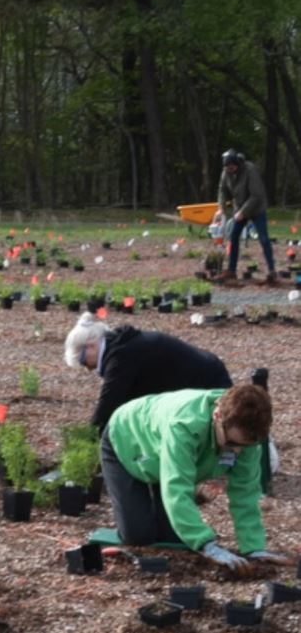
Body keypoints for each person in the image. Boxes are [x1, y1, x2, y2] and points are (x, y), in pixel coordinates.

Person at [101, 384, 289, 569]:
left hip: (167, 455)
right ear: (217, 416)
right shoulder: (184, 425)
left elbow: (246, 493)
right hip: (128, 439)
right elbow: (176, 487)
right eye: (231, 443)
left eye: (244, 446)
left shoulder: (249, 438)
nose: (238, 450)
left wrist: (254, 548)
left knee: (174, 535)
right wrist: (206, 544)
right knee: (139, 536)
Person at [63, 314, 232, 429]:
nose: (87, 368)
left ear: (91, 345)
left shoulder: (121, 357)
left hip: (208, 384)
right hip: (207, 372)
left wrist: (88, 437)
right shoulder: (122, 345)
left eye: (83, 361)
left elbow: (109, 404)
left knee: (221, 430)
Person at [212, 149, 277, 284]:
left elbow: (256, 195)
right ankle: (231, 270)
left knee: (264, 239)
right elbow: (222, 190)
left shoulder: (250, 170)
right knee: (234, 236)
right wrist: (221, 208)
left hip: (256, 208)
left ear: (237, 164)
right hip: (239, 207)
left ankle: (272, 270)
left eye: (232, 167)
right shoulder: (226, 172)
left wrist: (243, 212)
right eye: (227, 168)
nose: (229, 170)